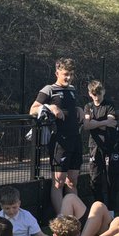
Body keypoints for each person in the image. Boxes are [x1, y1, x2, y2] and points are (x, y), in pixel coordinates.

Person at [30, 58, 84, 217]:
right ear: (57, 73)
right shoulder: (49, 89)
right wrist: (50, 106)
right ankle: (62, 219)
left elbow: (73, 107)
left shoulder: (72, 89)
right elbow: (32, 110)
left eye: (72, 74)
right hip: (59, 140)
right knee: (59, 181)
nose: (69, 78)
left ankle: (76, 218)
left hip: (75, 138)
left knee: (73, 180)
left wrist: (80, 109)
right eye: (66, 74)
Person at [83, 80, 119, 211]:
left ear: (103, 92)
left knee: (112, 178)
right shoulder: (88, 106)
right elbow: (86, 125)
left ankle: (111, 211)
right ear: (90, 94)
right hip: (94, 147)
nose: (97, 96)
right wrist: (102, 122)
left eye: (99, 93)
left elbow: (112, 122)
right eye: (94, 94)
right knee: (95, 178)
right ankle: (99, 209)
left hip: (110, 146)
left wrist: (96, 122)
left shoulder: (109, 105)